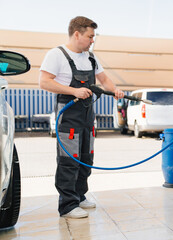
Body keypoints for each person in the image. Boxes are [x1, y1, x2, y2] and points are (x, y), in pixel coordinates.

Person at [39, 16, 124, 219]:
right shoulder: (56, 54)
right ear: (77, 34)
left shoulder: (91, 57)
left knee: (86, 159)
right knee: (69, 161)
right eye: (90, 36)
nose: (92, 40)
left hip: (87, 116)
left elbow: (104, 80)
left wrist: (116, 90)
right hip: (68, 116)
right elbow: (44, 82)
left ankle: (79, 195)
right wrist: (73, 91)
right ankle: (68, 206)